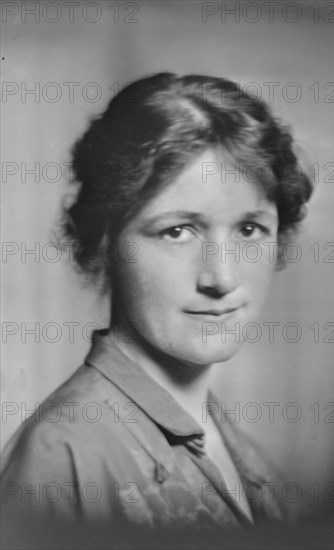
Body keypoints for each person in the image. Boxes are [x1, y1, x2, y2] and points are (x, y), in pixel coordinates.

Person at [1, 73, 313, 540]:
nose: (222, 278)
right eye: (177, 231)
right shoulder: (60, 455)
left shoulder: (239, 450)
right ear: (105, 241)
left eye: (249, 230)